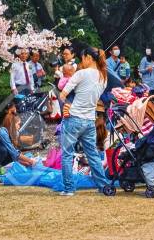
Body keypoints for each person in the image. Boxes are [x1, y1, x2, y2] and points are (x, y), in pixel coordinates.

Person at [58, 44, 115, 197]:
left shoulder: (81, 74)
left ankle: (69, 189)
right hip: (90, 120)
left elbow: (63, 95)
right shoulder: (103, 77)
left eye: (83, 58)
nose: (81, 61)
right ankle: (103, 186)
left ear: (88, 58)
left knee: (67, 154)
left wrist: (66, 106)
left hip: (74, 119)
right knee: (93, 154)